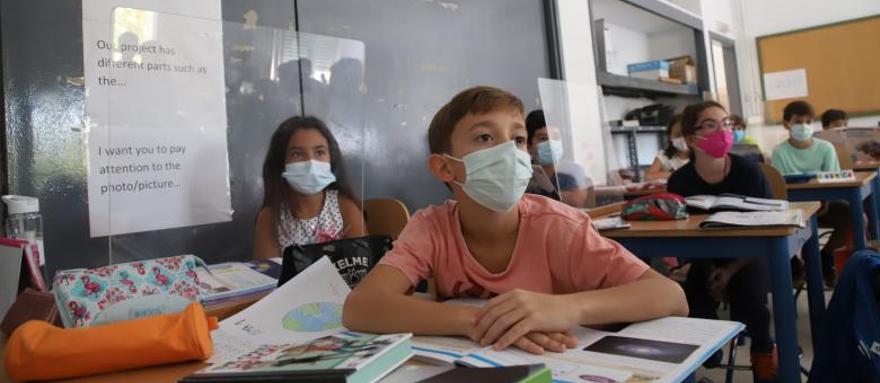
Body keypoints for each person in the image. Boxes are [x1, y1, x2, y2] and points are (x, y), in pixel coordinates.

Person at [343, 86, 687, 355]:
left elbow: (670, 296)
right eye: (484, 137)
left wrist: (566, 308)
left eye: (518, 139)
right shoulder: (431, 227)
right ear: (445, 167)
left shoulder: (559, 226)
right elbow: (362, 307)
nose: (508, 151)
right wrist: (479, 321)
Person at [666, 101, 778, 382]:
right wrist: (698, 266)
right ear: (692, 139)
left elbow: (768, 229)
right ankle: (710, 345)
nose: (723, 131)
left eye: (726, 124)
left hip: (749, 256)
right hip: (705, 259)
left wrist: (729, 271)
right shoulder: (679, 181)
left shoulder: (750, 172)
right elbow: (681, 234)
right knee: (690, 296)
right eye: (711, 125)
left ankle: (764, 351)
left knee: (750, 297)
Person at [253, 116, 366, 258]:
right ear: (281, 163)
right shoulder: (270, 217)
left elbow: (363, 266)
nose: (311, 163)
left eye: (319, 152)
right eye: (297, 154)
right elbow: (266, 274)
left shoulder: (345, 208)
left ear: (331, 158)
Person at [773, 101, 850, 286]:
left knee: (855, 216)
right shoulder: (779, 151)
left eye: (808, 122)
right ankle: (795, 264)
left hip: (826, 205)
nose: (804, 126)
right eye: (798, 121)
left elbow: (834, 183)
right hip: (795, 209)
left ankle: (826, 254)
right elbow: (779, 189)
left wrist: (825, 201)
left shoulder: (825, 148)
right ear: (786, 124)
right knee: (779, 227)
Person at [524, 109, 594, 208]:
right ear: (529, 146)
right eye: (543, 138)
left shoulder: (572, 172)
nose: (551, 143)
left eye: (556, 137)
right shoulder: (523, 174)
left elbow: (575, 202)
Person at [644, 114, 689, 181]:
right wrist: (674, 174)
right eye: (677, 135)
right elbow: (648, 176)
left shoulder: (699, 157)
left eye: (686, 134)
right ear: (669, 136)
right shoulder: (663, 155)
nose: (682, 139)